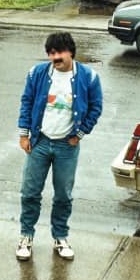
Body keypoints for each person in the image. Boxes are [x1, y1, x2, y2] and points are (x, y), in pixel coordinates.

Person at [16, 32, 103, 261]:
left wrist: (81, 133)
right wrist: (24, 134)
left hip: (67, 145)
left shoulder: (89, 77)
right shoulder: (37, 74)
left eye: (60, 52)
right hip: (40, 142)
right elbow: (26, 102)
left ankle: (60, 237)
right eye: (52, 53)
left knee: (63, 195)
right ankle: (26, 236)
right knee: (30, 192)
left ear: (71, 52)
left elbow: (96, 108)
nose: (56, 57)